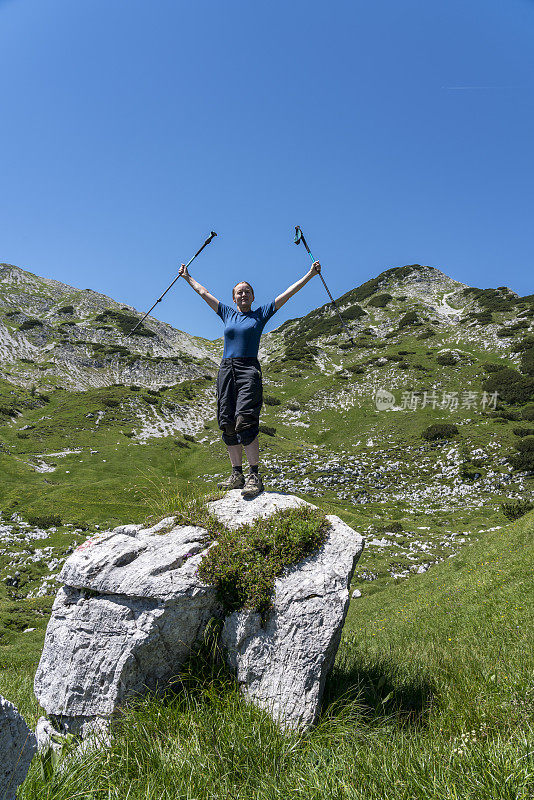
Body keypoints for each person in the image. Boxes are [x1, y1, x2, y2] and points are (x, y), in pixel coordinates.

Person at [178, 258, 322, 498]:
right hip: (226, 369)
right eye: (239, 292)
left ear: (253, 297)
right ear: (234, 298)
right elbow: (203, 292)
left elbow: (288, 293)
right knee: (227, 423)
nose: (243, 295)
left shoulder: (261, 314)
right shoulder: (226, 313)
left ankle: (254, 475)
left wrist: (310, 274)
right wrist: (187, 277)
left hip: (248, 370)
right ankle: (237, 475)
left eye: (247, 292)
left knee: (245, 420)